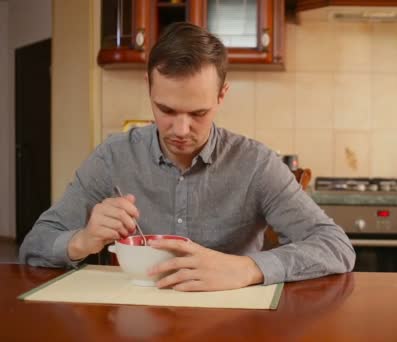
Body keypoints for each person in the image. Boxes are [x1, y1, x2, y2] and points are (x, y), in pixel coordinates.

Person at [19, 22, 355, 291]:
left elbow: (335, 246)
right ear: (149, 89)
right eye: (165, 109)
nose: (180, 129)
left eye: (198, 113)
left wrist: (249, 268)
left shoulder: (256, 164)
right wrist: (82, 240)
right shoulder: (113, 157)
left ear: (222, 96)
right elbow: (34, 246)